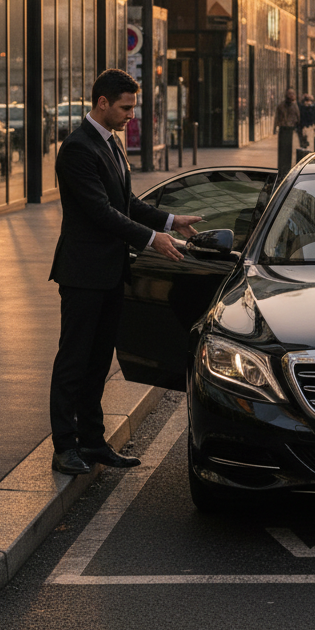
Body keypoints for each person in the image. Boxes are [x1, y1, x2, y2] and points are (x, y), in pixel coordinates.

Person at [48, 69, 202, 476]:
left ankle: (93, 443)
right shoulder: (78, 149)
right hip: (83, 274)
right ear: (102, 103)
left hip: (111, 271)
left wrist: (170, 221)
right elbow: (101, 212)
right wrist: (152, 240)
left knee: (98, 362)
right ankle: (64, 447)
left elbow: (127, 201)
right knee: (73, 362)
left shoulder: (111, 143)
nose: (131, 115)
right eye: (126, 107)